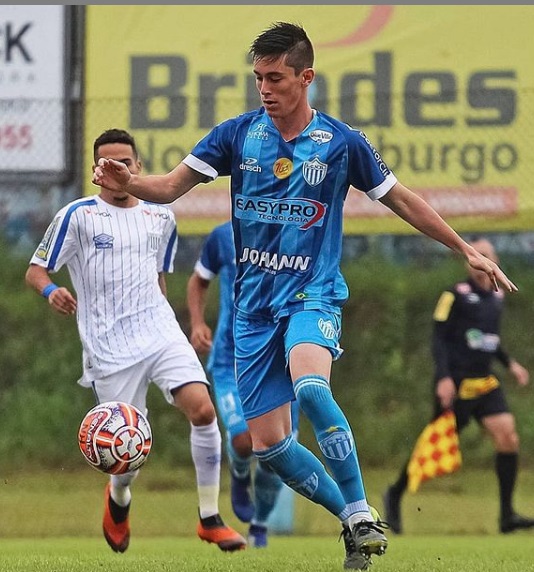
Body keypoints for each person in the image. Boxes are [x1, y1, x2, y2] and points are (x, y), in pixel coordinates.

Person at [92, 23, 517, 570]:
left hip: (312, 295)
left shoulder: (341, 143)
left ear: (306, 77)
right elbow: (170, 186)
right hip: (252, 311)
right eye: (258, 78)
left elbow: (403, 200)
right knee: (270, 446)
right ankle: (354, 522)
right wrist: (127, 182)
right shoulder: (236, 135)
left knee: (312, 388)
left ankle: (360, 509)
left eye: (275, 78)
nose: (264, 89)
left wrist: (464, 249)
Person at [25, 128, 246, 554]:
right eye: (106, 163)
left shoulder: (161, 216)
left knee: (203, 410)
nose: (115, 169)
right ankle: (119, 496)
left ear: (138, 166)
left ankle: (210, 518)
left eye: (123, 162)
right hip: (109, 347)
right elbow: (36, 270)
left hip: (160, 332)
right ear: (95, 170)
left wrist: (180, 326)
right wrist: (51, 291)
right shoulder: (78, 216)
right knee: (126, 453)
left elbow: (158, 277)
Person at [383, 238, 532, 535]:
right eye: (475, 255)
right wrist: (443, 378)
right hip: (456, 384)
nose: (480, 260)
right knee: (432, 446)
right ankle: (395, 493)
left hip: (485, 384)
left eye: (486, 254)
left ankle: (507, 515)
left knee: (508, 437)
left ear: (495, 260)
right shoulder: (454, 295)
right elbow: (438, 339)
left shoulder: (497, 297)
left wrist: (510, 364)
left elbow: (490, 340)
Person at [187, 219, 300, 547]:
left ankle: (260, 523)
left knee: (277, 454)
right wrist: (197, 323)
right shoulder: (224, 235)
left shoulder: (298, 233)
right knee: (242, 440)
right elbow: (198, 281)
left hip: (280, 362)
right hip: (231, 358)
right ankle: (238, 474)